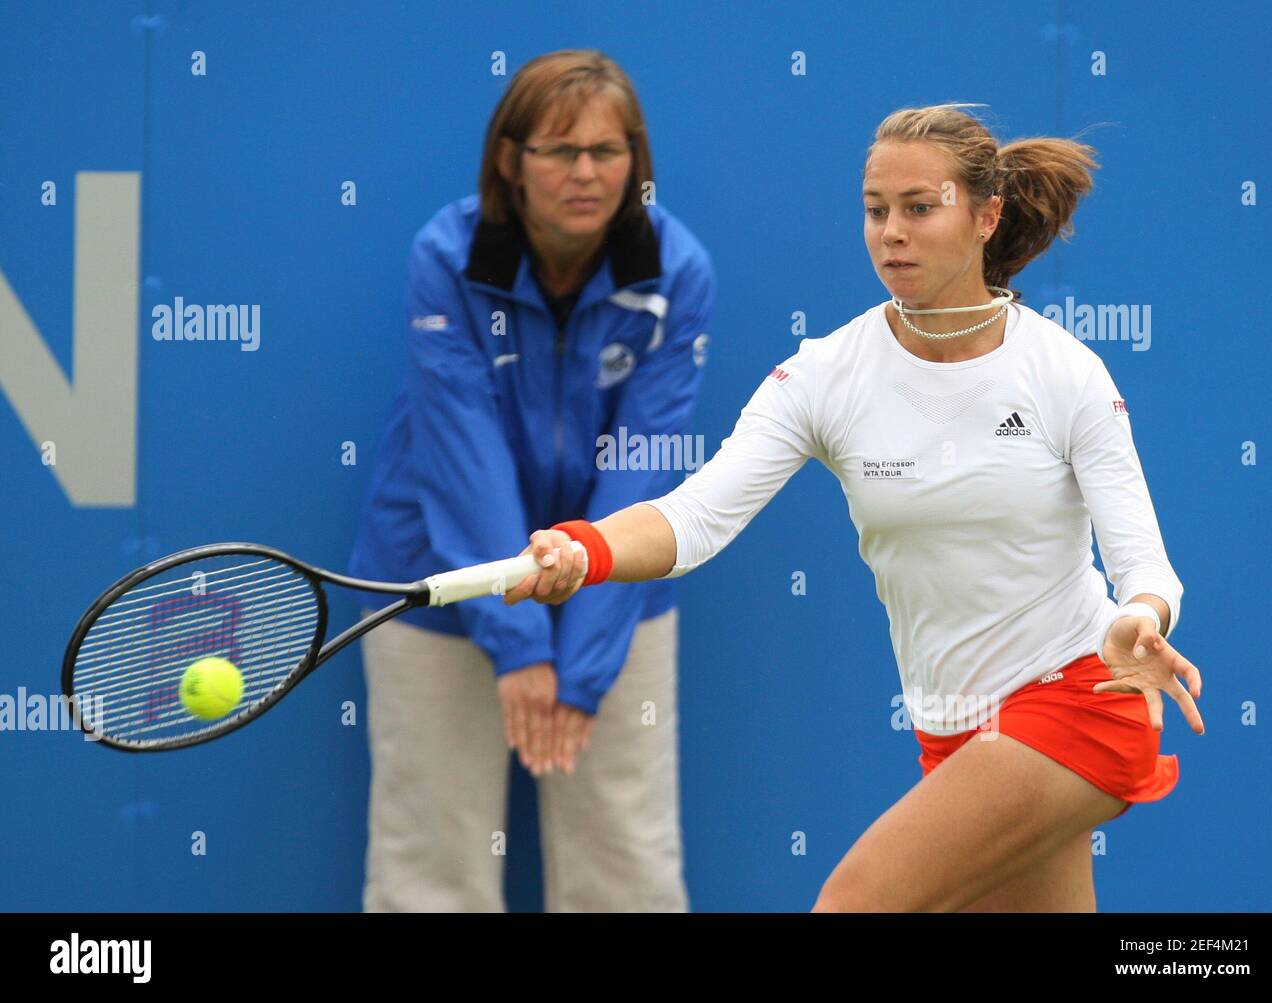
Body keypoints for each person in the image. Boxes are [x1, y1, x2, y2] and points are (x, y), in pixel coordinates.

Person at [503, 102, 1205, 913]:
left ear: (987, 216)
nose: (891, 232)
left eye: (919, 207)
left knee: (853, 904)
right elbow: (694, 517)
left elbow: (1142, 561)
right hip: (951, 726)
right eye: (876, 211)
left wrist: (1140, 614)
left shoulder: (1066, 373)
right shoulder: (825, 375)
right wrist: (584, 550)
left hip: (1081, 693)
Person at [347, 49, 714, 912]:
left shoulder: (677, 270)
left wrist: (578, 665)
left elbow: (646, 464)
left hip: (615, 580)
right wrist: (518, 645)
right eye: (559, 151)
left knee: (626, 868)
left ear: (637, 161)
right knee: (430, 865)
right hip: (438, 573)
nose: (586, 173)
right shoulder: (447, 254)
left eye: (608, 151)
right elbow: (459, 449)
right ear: (511, 161)